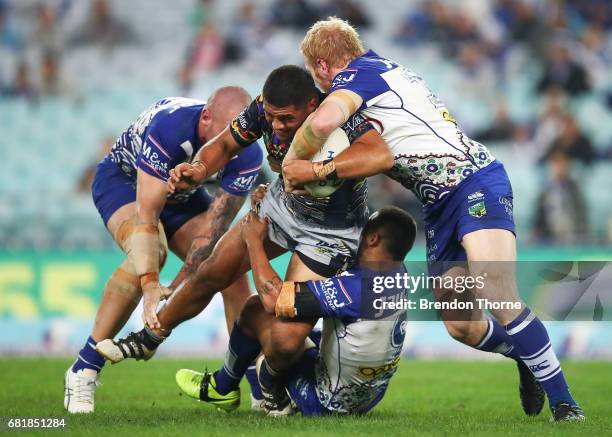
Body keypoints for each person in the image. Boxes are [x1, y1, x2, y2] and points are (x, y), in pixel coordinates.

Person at [280, 17, 584, 421]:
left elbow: (320, 124)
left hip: (474, 180)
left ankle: (566, 405)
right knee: (463, 326)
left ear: (321, 65)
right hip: (439, 202)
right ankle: (528, 358)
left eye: (313, 73)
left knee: (496, 288)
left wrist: (296, 166)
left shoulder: (358, 75)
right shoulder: (380, 75)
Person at [95, 66, 394, 414]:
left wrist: (317, 171)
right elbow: (223, 144)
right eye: (272, 117)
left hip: (331, 234)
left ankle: (271, 380)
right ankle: (149, 338)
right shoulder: (261, 111)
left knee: (284, 341)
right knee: (211, 271)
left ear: (312, 105)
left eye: (286, 119)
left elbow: (380, 155)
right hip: (281, 207)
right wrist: (198, 171)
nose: (278, 126)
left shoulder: (338, 113)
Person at [64, 88, 263, 414]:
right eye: (226, 136)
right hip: (125, 182)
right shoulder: (170, 127)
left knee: (229, 268)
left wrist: (182, 280)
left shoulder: (247, 150)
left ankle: (258, 386)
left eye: (239, 137)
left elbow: (214, 231)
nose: (233, 147)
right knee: (149, 253)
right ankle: (84, 368)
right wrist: (151, 284)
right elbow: (147, 216)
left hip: (182, 198)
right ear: (207, 118)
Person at [174, 206, 416, 416]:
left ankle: (238, 389)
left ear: (372, 239)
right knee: (312, 330)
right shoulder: (399, 274)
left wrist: (253, 241)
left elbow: (274, 299)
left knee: (257, 310)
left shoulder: (354, 289)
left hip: (324, 402)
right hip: (367, 398)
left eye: (363, 232)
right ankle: (262, 387)